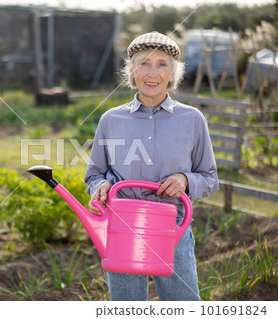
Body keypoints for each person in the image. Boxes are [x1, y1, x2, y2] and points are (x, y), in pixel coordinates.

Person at [84, 31, 219, 301]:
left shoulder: (192, 119)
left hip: (174, 228)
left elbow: (210, 178)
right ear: (131, 71)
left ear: (173, 74)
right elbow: (94, 175)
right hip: (123, 227)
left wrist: (185, 179)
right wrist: (101, 186)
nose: (152, 72)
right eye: (144, 63)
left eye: (162, 64)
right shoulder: (111, 120)